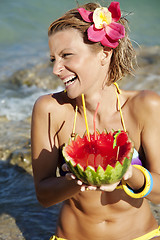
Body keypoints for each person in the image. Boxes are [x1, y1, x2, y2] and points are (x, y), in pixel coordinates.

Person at [31, 2, 160, 239]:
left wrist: (128, 174)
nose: (56, 69)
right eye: (53, 59)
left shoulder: (144, 106)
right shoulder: (50, 109)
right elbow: (44, 195)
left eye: (66, 55)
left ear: (104, 53)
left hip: (141, 234)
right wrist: (78, 179)